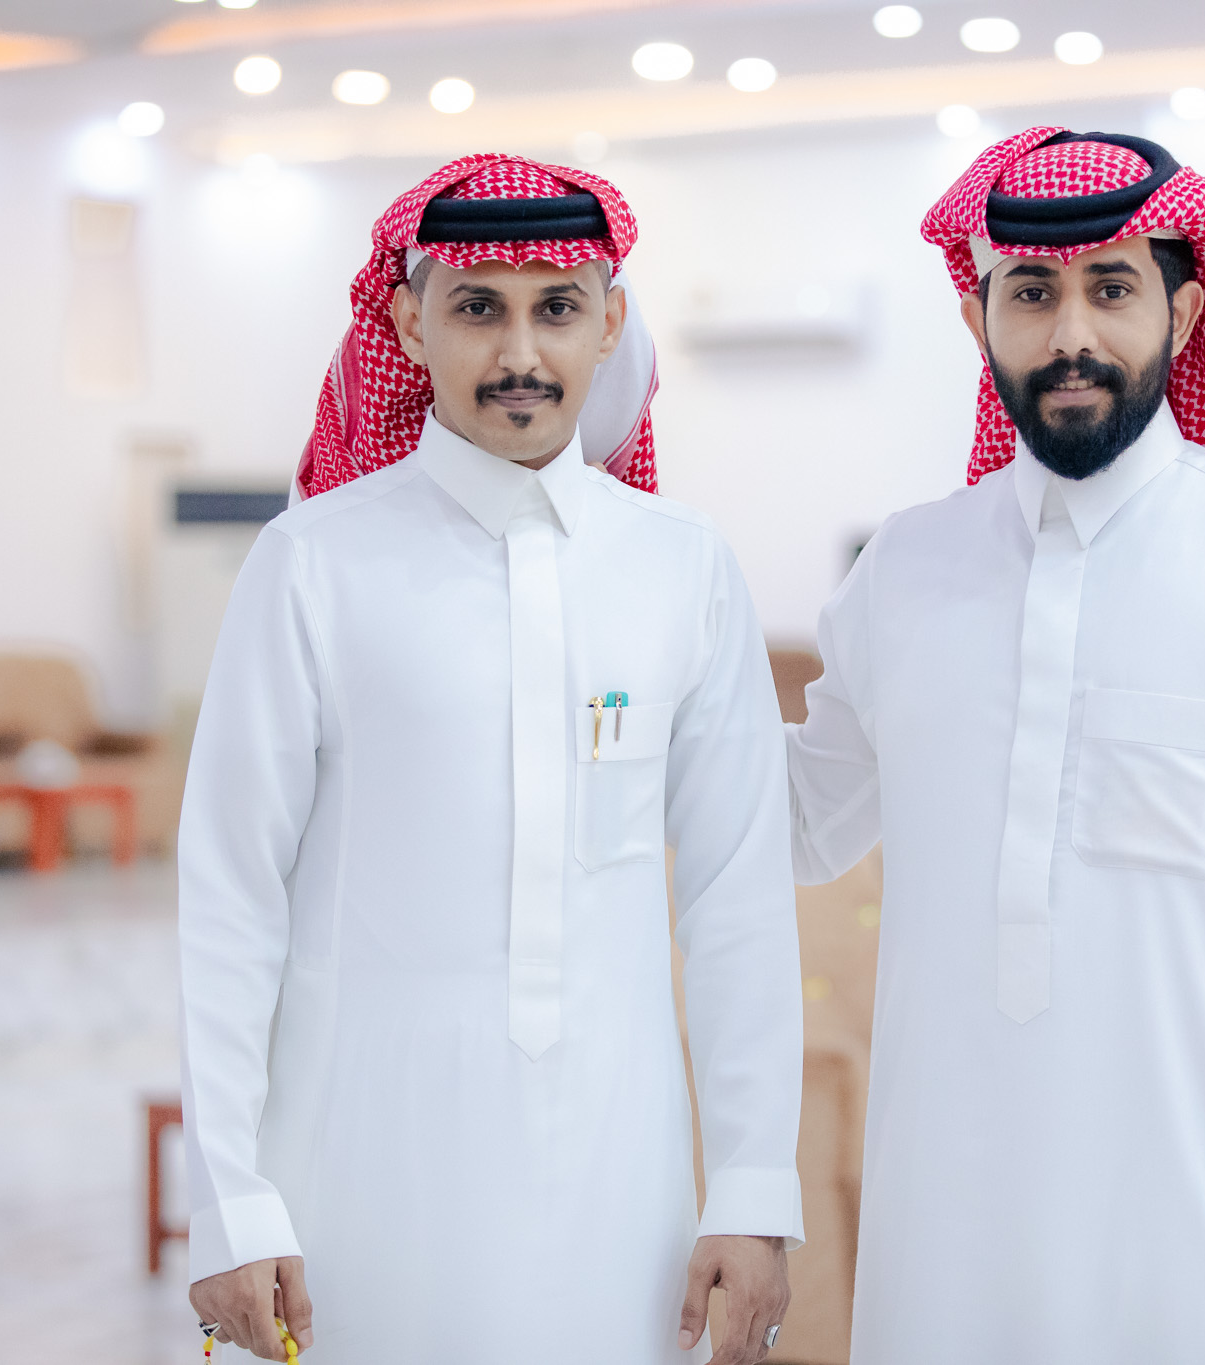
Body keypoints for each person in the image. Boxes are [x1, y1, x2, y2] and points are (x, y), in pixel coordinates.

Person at [786, 129, 1205, 1365]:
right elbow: (792, 821)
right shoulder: (908, 567)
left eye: (1110, 288)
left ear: (1184, 312)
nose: (1070, 334)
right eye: (1029, 294)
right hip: (947, 1231)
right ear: (977, 317)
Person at [180, 154, 803, 1364]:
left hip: (619, 1185)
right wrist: (228, 1199)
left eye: (556, 308)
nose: (521, 353)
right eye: (478, 308)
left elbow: (736, 899)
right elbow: (228, 899)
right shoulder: (311, 564)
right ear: (411, 323)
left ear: (607, 323)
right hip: (356, 1177)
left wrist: (751, 1188)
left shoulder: (682, 566)